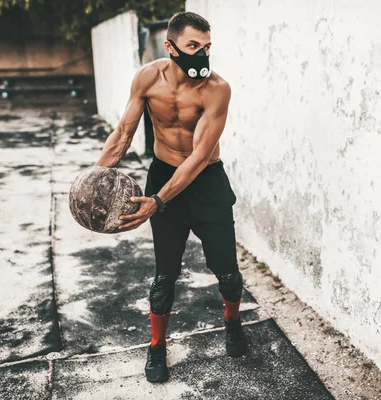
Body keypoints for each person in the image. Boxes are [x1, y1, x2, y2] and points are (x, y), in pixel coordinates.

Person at [93, 11, 247, 383]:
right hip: (163, 172)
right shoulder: (148, 78)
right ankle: (157, 345)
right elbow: (124, 133)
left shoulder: (217, 89)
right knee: (165, 276)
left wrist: (157, 201)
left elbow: (197, 159)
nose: (201, 55)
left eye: (206, 47)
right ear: (171, 46)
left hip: (206, 181)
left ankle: (232, 321)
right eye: (193, 46)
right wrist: (95, 179)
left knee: (227, 272)